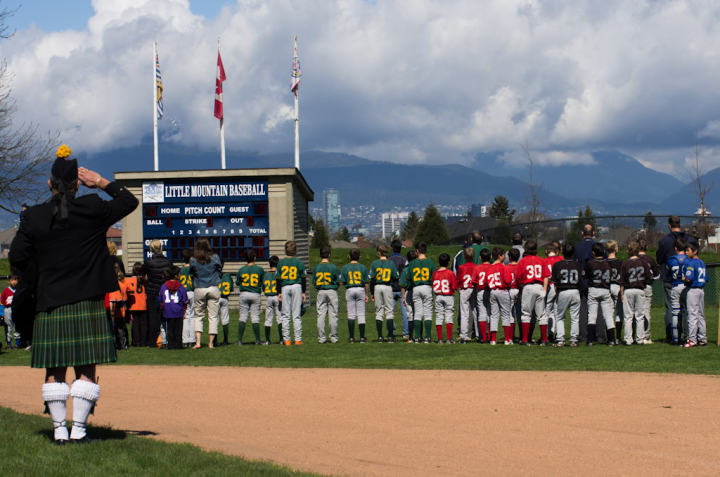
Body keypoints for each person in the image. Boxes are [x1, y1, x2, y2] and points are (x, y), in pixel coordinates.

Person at [9, 145, 138, 445]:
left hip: (49, 300)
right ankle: (79, 431)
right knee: (86, 365)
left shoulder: (35, 217)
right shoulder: (93, 208)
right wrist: (102, 182)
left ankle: (59, 432)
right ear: (79, 183)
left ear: (48, 184)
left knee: (54, 367)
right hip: (88, 299)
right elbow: (129, 201)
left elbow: (17, 255)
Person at [656, 216, 695, 343]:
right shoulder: (688, 239)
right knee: (687, 309)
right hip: (687, 280)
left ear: (669, 225)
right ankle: (689, 336)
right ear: (680, 224)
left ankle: (672, 336)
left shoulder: (665, 240)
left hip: (670, 280)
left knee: (671, 309)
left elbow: (659, 258)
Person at [574, 224, 606, 343]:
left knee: (583, 310)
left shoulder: (577, 247)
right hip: (598, 282)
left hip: (583, 282)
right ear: (593, 233)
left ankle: (583, 335)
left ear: (582, 233)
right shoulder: (598, 246)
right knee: (599, 310)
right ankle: (600, 335)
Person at [189, 237, 223, 349]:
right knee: (213, 316)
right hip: (213, 287)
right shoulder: (215, 257)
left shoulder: (193, 259)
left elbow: (192, 273)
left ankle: (198, 342)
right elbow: (219, 270)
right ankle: (211, 343)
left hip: (199, 288)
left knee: (198, 316)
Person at [141, 240, 172, 348]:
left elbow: (141, 272)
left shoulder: (148, 263)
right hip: (165, 292)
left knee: (153, 318)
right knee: (166, 316)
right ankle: (167, 339)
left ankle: (152, 342)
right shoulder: (168, 262)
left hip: (152, 292)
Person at [584, 243, 616, 347]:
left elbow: (585, 275)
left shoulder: (590, 263)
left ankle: (589, 340)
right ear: (604, 252)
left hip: (594, 289)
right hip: (605, 289)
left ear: (593, 253)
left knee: (592, 315)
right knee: (608, 315)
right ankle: (612, 339)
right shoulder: (608, 263)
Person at [517, 240, 549, 345]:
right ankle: (544, 339)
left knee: (526, 313)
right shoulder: (541, 260)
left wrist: (520, 288)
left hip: (528, 286)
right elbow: (546, 276)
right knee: (542, 314)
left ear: (526, 250)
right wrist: (544, 289)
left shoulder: (523, 261)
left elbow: (518, 277)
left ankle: (525, 339)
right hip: (539, 286)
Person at [551, 243, 583, 347]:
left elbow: (555, 283)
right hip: (575, 290)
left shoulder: (557, 265)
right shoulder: (578, 264)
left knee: (560, 317)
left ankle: (560, 339)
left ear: (562, 252)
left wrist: (556, 295)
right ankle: (573, 340)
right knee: (575, 317)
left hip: (563, 291)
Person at [619, 242, 650, 346]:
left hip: (628, 289)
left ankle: (628, 339)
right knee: (640, 316)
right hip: (640, 289)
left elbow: (622, 281)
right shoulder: (643, 262)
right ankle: (640, 339)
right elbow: (649, 277)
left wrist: (622, 294)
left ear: (628, 251)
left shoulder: (625, 263)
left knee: (628, 316)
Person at [277, 241, 307, 345]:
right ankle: (298, 339)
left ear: (285, 250)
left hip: (285, 286)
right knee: (296, 314)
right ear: (296, 250)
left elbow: (278, 279)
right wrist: (303, 292)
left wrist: (278, 292)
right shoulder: (299, 262)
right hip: (296, 286)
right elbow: (303, 279)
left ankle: (287, 340)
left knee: (285, 314)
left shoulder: (281, 262)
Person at [406, 242, 436, 344]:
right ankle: (427, 337)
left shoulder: (412, 263)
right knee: (427, 313)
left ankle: (417, 337)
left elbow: (409, 277)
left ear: (417, 251)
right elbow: (434, 277)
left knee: (417, 313)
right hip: (427, 287)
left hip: (416, 287)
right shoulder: (430, 262)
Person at [369, 244, 399, 342]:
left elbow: (372, 278)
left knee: (379, 312)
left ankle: (380, 336)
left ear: (378, 253)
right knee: (389, 311)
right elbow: (395, 277)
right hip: (387, 286)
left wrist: (372, 292)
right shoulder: (391, 263)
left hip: (378, 286)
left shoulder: (374, 263)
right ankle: (390, 336)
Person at [339, 249, 370, 343]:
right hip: (360, 289)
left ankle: (351, 337)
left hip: (350, 289)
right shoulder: (363, 267)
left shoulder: (345, 267)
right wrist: (367, 294)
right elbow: (367, 282)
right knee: (361, 314)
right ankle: (361, 337)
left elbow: (342, 281)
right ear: (359, 257)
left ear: (349, 257)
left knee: (351, 314)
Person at [312, 246, 340, 344]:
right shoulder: (333, 267)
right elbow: (337, 281)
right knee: (333, 314)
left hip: (321, 291)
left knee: (321, 315)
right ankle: (333, 337)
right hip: (332, 290)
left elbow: (314, 282)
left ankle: (321, 338)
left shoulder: (316, 267)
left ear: (320, 255)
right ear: (329, 255)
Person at [236, 250, 264, 346]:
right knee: (255, 317)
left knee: (243, 316)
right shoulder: (259, 269)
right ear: (255, 258)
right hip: (255, 294)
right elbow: (262, 281)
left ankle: (239, 340)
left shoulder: (241, 269)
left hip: (244, 293)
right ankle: (257, 340)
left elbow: (237, 282)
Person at [159, 266, 189, 350]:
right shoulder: (181, 286)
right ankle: (178, 345)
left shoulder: (164, 286)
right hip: (178, 310)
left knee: (170, 330)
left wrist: (164, 309)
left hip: (168, 311)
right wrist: (184, 311)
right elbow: (185, 300)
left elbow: (161, 299)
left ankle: (171, 345)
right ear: (176, 276)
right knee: (178, 330)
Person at [683, 242, 707, 347]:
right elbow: (706, 278)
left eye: (688, 250)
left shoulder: (691, 263)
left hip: (693, 290)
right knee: (700, 315)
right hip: (701, 289)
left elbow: (688, 278)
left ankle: (692, 339)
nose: (686, 252)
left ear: (695, 251)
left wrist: (683, 278)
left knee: (692, 314)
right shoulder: (701, 262)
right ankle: (702, 338)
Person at [665, 238, 687, 345]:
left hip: (675, 285)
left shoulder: (671, 259)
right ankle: (688, 336)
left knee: (675, 312)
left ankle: (675, 337)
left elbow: (668, 273)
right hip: (686, 287)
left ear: (675, 248)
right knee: (688, 312)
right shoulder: (688, 259)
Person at [488, 247, 511, 345]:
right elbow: (508, 281)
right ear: (499, 256)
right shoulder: (503, 267)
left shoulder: (489, 268)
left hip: (493, 291)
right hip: (502, 290)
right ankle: (507, 339)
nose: (504, 257)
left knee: (494, 315)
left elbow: (487, 281)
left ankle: (493, 339)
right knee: (505, 314)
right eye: (503, 255)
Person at [432, 253, 457, 344]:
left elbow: (433, 285)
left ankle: (440, 339)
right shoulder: (450, 273)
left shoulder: (435, 273)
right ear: (448, 263)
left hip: (438, 296)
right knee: (449, 316)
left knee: (439, 316)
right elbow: (454, 286)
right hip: (448, 296)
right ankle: (449, 338)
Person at [637, 239, 659, 344]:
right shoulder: (650, 259)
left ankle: (636, 335)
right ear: (647, 248)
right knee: (646, 312)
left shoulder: (634, 259)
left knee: (635, 313)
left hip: (635, 287)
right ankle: (646, 336)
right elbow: (657, 275)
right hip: (647, 286)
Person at [388, 240, 409, 339]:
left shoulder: (388, 260)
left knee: (389, 312)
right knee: (404, 311)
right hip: (402, 289)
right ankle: (406, 332)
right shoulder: (404, 259)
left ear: (391, 248)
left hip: (391, 288)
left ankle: (391, 331)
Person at [456, 247, 477, 344]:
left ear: (464, 256)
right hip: (473, 288)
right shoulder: (476, 267)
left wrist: (459, 287)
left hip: (465, 288)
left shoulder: (461, 267)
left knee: (464, 313)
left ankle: (464, 334)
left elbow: (459, 279)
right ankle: (477, 334)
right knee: (475, 311)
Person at [542, 242, 563, 340]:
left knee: (547, 311)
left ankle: (548, 334)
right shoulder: (561, 259)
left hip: (550, 286)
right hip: (560, 286)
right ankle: (557, 334)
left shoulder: (544, 261)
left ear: (546, 251)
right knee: (557, 312)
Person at [126, 263, 148, 348]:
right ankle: (143, 342)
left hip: (133, 305)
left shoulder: (129, 280)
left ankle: (136, 342)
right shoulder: (143, 280)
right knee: (143, 325)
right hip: (143, 305)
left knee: (135, 324)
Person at [606, 240, 623, 344]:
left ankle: (610, 337)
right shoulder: (620, 262)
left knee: (608, 313)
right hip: (617, 286)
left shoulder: (604, 262)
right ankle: (618, 337)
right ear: (616, 249)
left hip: (607, 286)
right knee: (618, 312)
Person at [475, 248, 493, 342]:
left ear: (480, 258)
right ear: (490, 257)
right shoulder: (492, 267)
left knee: (482, 314)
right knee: (490, 314)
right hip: (490, 291)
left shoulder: (477, 267)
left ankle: (483, 338)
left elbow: (474, 280)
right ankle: (490, 337)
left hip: (480, 291)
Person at [399, 250, 417, 343]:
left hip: (409, 292)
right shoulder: (418, 267)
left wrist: (402, 297)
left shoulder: (406, 269)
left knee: (410, 315)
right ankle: (419, 336)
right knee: (418, 314)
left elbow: (403, 285)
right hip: (417, 290)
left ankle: (410, 337)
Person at [263, 256, 281, 345]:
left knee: (268, 319)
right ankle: (281, 339)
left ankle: (267, 340)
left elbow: (263, 286)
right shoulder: (278, 274)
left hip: (269, 297)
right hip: (277, 296)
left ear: (269, 264)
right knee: (279, 318)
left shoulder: (266, 275)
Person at [179, 250, 196, 348]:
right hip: (192, 292)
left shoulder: (180, 270)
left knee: (185, 317)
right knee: (192, 316)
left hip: (183, 293)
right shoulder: (193, 269)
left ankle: (185, 340)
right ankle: (192, 339)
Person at [217, 263, 234, 346]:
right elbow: (231, 288)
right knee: (225, 319)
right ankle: (225, 340)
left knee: (214, 319)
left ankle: (214, 340)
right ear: (223, 265)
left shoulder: (213, 274)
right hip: (225, 297)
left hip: (215, 298)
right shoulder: (227, 275)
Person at [505, 248, 521, 342]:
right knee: (520, 314)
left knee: (510, 315)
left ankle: (510, 337)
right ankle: (522, 337)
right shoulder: (520, 266)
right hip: (519, 290)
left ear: (510, 258)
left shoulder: (506, 267)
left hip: (510, 290)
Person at [2, 274, 18, 349]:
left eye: (16, 280)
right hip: (7, 308)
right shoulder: (6, 290)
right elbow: (2, 301)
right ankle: (9, 343)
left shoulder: (19, 290)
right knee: (8, 326)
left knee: (16, 325)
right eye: (12, 280)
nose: (14, 282)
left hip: (16, 309)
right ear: (9, 281)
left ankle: (17, 343)